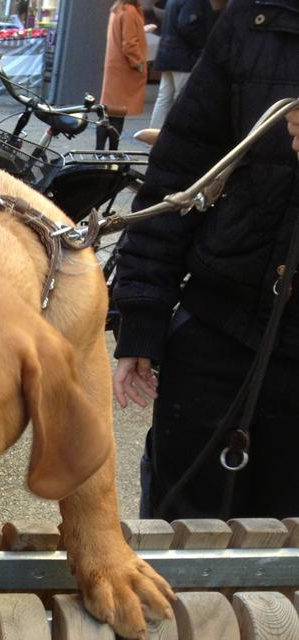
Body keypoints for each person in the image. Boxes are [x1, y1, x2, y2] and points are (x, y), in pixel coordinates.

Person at [111, 0, 299, 520]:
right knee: (179, 538)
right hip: (217, 331)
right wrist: (143, 316)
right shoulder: (252, 21)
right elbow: (177, 171)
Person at [147, 0, 215, 128]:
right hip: (184, 57)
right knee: (182, 97)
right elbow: (187, 25)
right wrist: (203, 45)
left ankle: (153, 134)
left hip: (168, 55)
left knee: (164, 98)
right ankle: (179, 134)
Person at [98, 0, 148, 150]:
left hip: (115, 67)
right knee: (117, 115)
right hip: (124, 69)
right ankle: (111, 153)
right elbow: (129, 44)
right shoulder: (129, 11)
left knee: (109, 113)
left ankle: (100, 152)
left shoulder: (118, 8)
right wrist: (139, 64)